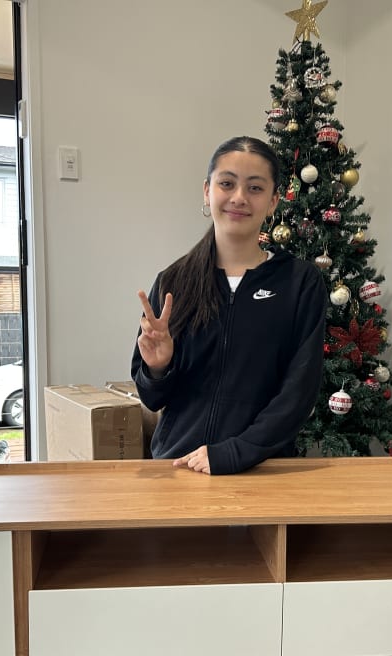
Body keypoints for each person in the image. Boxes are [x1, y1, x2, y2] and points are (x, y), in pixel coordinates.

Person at [131, 136, 326, 475]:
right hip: (180, 466)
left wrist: (234, 453)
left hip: (262, 471)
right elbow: (151, 398)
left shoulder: (299, 283)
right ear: (207, 191)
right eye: (227, 183)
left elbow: (299, 394)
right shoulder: (173, 282)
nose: (239, 197)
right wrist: (159, 368)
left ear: (273, 201)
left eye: (255, 188)